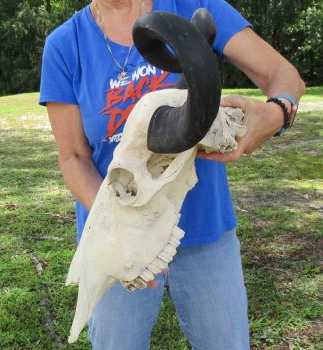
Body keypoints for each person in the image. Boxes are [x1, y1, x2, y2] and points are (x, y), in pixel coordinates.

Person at [39, 0, 305, 349]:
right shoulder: (64, 44)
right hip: (120, 242)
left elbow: (284, 76)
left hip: (206, 233)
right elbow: (73, 156)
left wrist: (278, 112)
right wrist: (125, 227)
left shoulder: (194, 6)